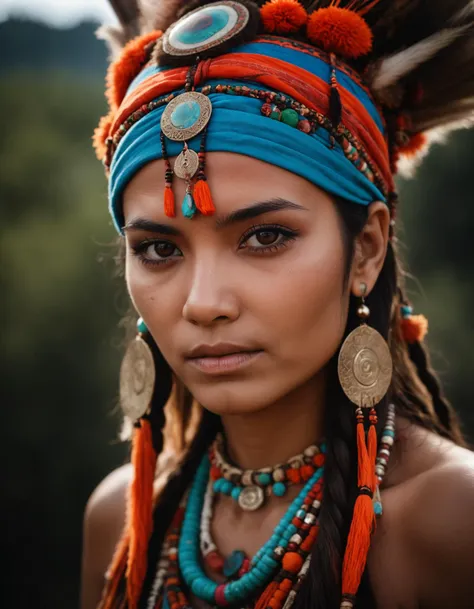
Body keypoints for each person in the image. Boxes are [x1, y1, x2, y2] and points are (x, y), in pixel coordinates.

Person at [81, 1, 474, 608]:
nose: (204, 304)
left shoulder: (450, 518)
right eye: (159, 248)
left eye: (265, 237)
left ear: (366, 249)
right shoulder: (120, 523)